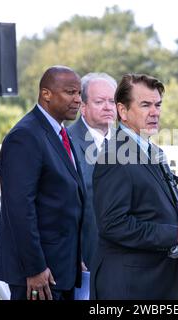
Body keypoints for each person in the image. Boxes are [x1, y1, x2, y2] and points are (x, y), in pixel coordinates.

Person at [91, 73, 178, 300]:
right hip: (129, 286)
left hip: (156, 282)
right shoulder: (115, 156)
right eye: (145, 105)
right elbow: (113, 224)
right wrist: (174, 233)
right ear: (123, 111)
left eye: (158, 105)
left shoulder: (153, 151)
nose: (155, 112)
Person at [0, 66, 85, 300]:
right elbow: (20, 209)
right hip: (37, 275)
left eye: (79, 93)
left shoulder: (59, 133)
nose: (77, 100)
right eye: (70, 92)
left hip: (61, 268)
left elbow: (63, 200)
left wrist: (74, 258)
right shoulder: (25, 136)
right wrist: (34, 268)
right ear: (46, 94)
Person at [68, 72, 117, 271]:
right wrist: (72, 256)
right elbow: (62, 207)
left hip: (121, 259)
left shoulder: (127, 143)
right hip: (83, 259)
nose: (108, 107)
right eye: (99, 101)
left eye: (112, 101)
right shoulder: (66, 141)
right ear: (83, 107)